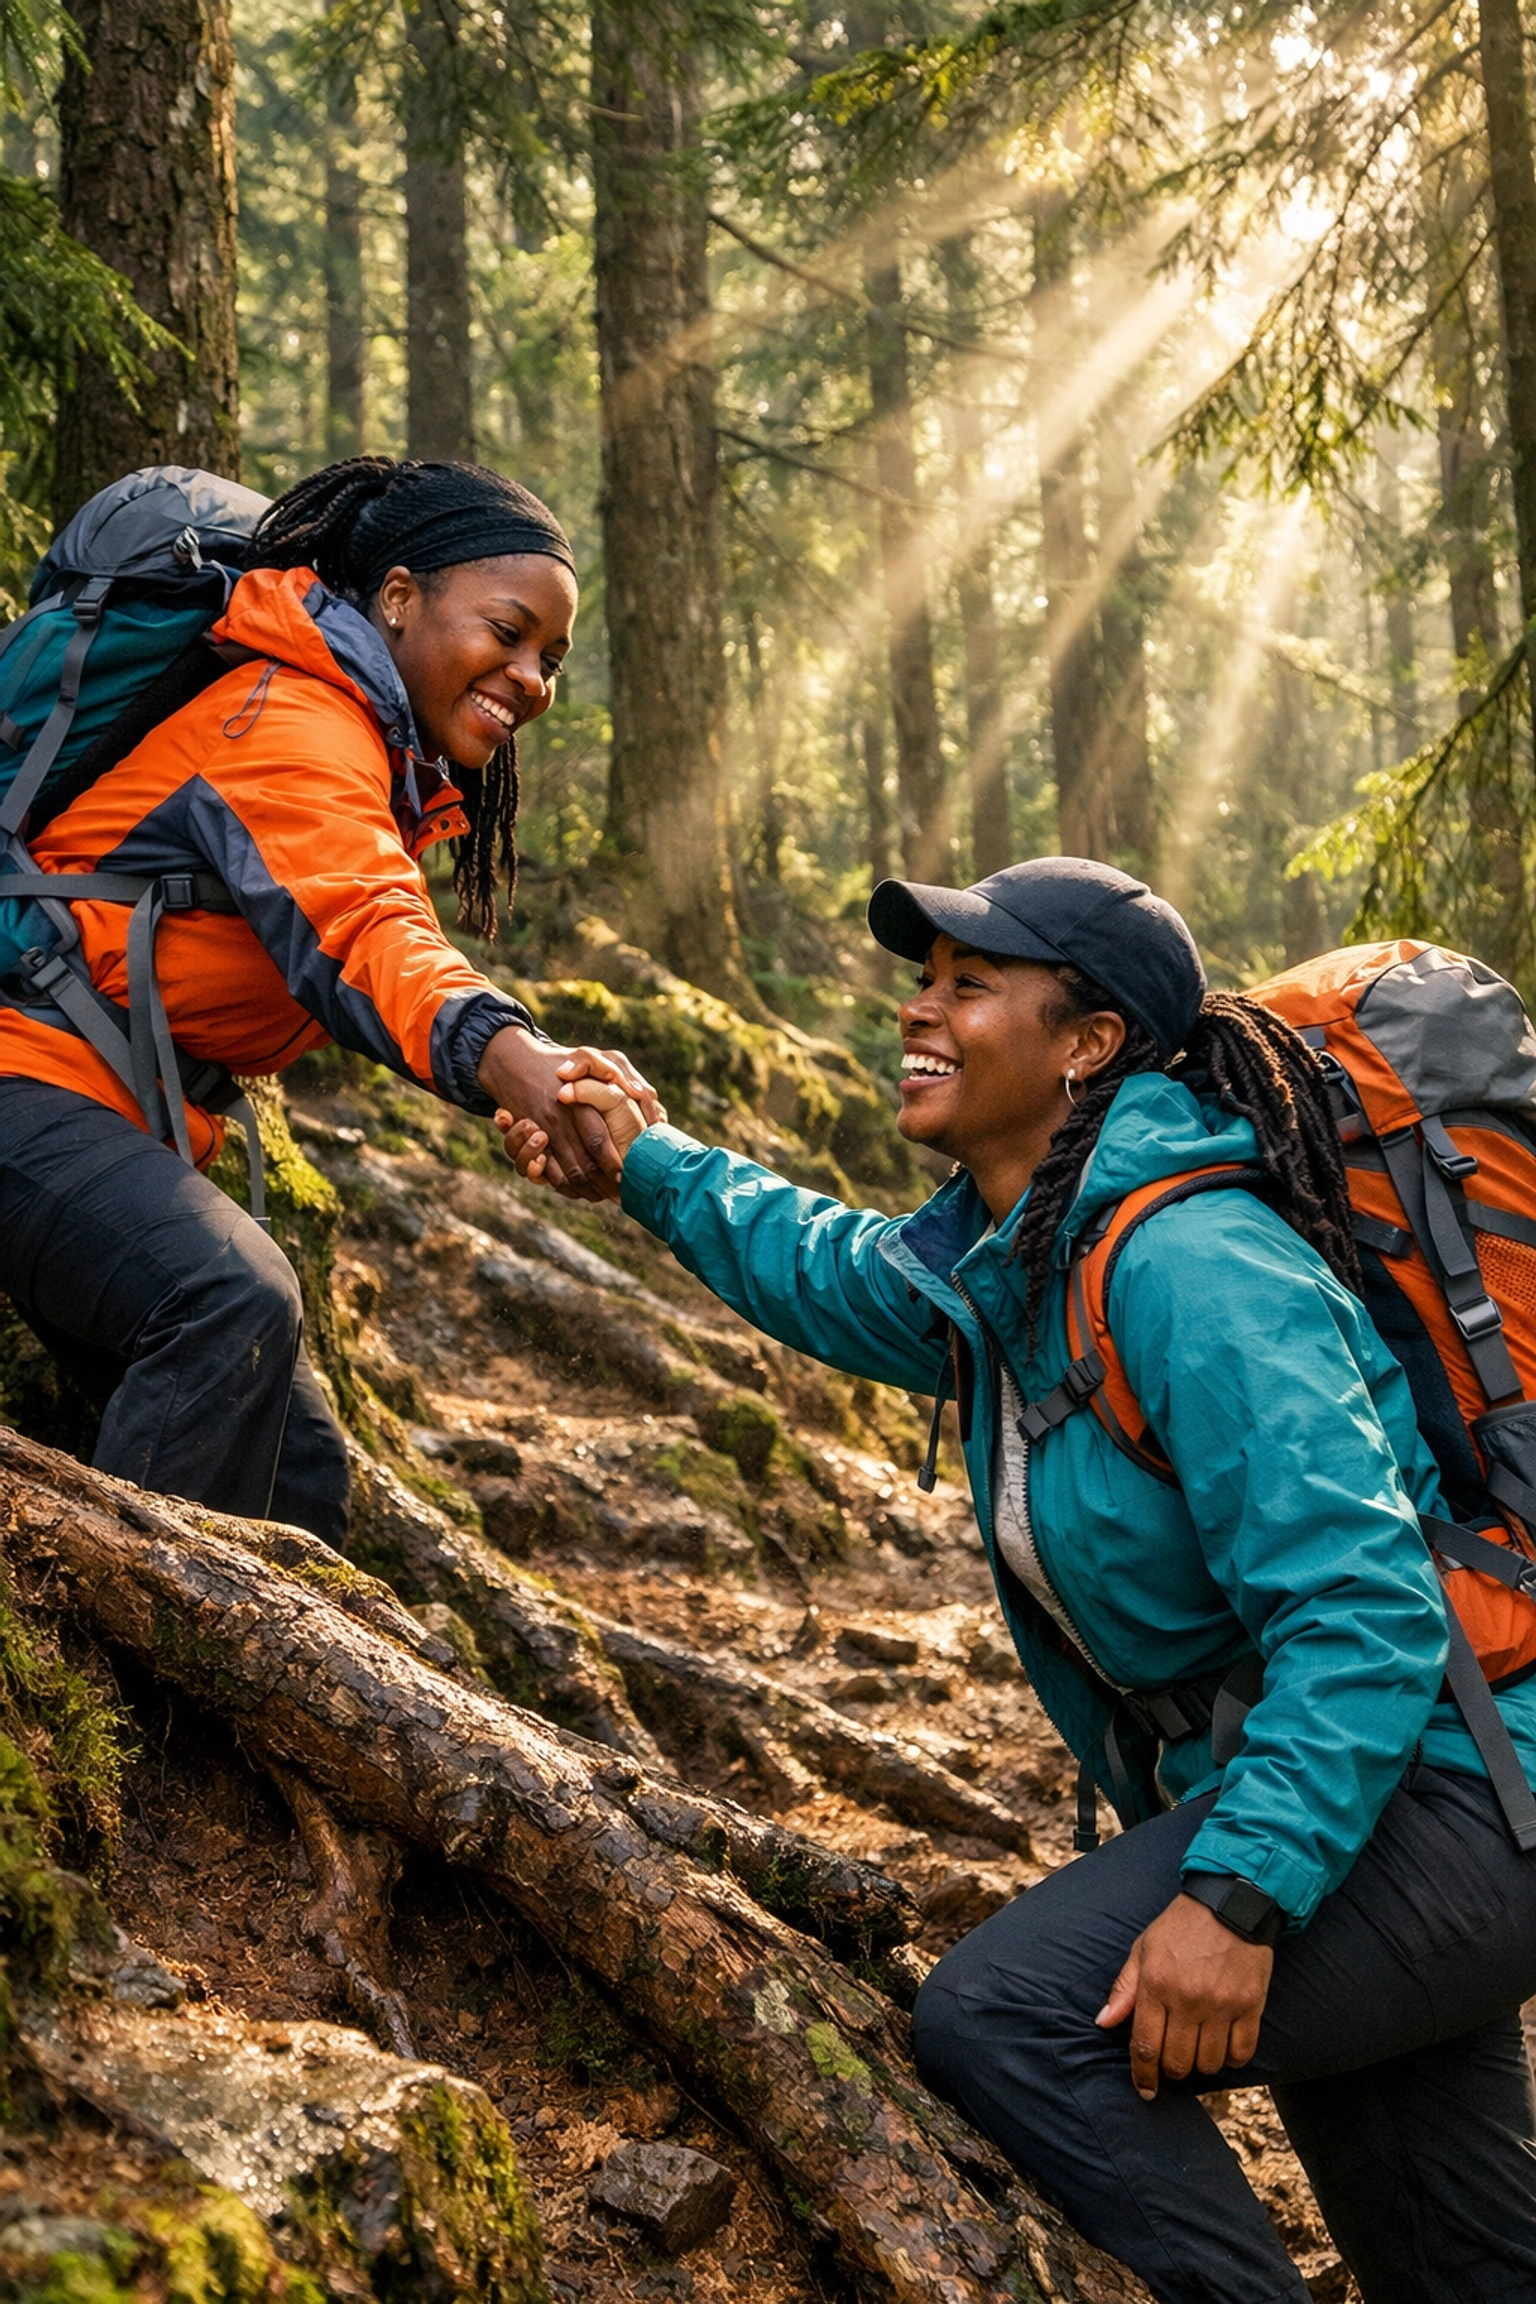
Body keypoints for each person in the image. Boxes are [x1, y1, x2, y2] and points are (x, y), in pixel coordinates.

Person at [502, 856, 1536, 2304]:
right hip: (1397, 1803)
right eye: (923, 980)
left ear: (1089, 1042)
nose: (920, 1012)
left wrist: (1235, 1900)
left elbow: (1364, 1609)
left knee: (1009, 2021)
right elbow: (827, 1266)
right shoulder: (1031, 1263)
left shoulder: (1192, 1263)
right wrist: (643, 1161)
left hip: (1441, 1803)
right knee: (1458, 2264)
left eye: (968, 986)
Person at [0, 456, 659, 1550]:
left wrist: (510, 1086)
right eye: (508, 630)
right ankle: (108, 1690)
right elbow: (367, 933)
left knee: (297, 1473)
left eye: (551, 658)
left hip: (103, 1113)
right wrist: (519, 1061)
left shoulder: (353, 737)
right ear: (397, 598)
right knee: (227, 1304)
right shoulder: (291, 717)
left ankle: (228, 1712)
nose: (532, 678)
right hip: (23, 1081)